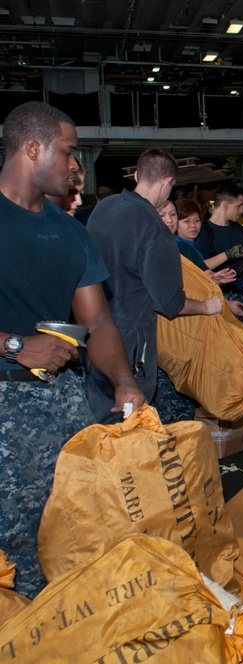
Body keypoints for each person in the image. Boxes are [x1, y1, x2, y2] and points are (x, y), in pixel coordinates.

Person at [0, 101, 145, 597]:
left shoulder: (70, 233)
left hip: (64, 403)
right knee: (14, 547)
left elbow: (99, 320)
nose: (74, 166)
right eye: (67, 153)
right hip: (6, 404)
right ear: (32, 148)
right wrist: (15, 345)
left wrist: (124, 380)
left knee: (76, 530)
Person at [86, 149, 222, 424]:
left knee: (100, 416)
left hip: (93, 330)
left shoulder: (104, 208)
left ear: (136, 175)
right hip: (131, 341)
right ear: (167, 183)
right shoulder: (155, 229)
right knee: (131, 417)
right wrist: (206, 307)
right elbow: (169, 303)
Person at [195, 182, 243, 335]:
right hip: (221, 300)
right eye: (239, 206)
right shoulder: (202, 233)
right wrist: (227, 255)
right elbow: (197, 269)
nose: (241, 211)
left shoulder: (242, 231)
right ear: (225, 204)